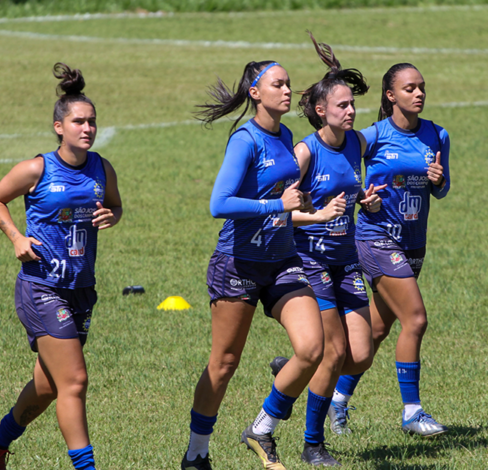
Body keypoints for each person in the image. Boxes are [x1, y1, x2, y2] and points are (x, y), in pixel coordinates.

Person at [180, 60, 323, 470]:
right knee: (223, 365)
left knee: (312, 349)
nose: (287, 90)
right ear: (255, 93)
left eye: (289, 83)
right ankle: (196, 452)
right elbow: (218, 204)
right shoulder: (245, 139)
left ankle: (260, 428)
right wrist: (277, 204)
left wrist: (302, 203)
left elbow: (284, 195)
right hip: (238, 263)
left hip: (282, 261)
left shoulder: (288, 136)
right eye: (278, 83)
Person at [0, 63, 122, 470]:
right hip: (42, 287)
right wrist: (16, 238)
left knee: (47, 386)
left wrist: (112, 215)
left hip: (82, 287)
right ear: (59, 127)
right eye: (79, 121)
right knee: (74, 381)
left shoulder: (101, 168)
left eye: (92, 121)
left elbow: (114, 204)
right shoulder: (37, 169)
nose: (88, 128)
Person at [275, 33, 387, 466]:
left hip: (346, 260)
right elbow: (282, 213)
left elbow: (353, 191)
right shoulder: (304, 152)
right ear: (321, 110)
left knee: (359, 356)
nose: (351, 111)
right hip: (310, 261)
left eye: (352, 105)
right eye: (342, 105)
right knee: (336, 351)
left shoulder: (357, 144)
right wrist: (318, 215)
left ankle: (298, 364)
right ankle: (312, 445)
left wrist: (367, 200)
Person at [328, 63, 451, 437]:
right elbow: (341, 160)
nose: (419, 93)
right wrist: (360, 197)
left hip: (414, 242)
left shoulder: (437, 135)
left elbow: (442, 190)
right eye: (409, 88)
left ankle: (325, 386)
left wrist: (439, 181)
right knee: (415, 319)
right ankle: (412, 412)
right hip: (376, 238)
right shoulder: (372, 137)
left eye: (422, 87)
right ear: (390, 95)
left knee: (377, 332)